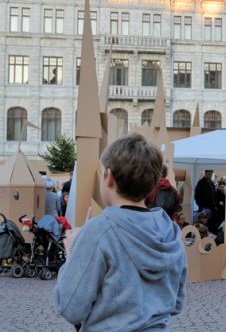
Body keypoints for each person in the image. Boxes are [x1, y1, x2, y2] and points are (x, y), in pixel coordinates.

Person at [54, 133, 187, 331]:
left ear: (109, 178)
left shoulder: (99, 231)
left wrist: (73, 254)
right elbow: (176, 303)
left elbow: (70, 307)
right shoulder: (171, 231)